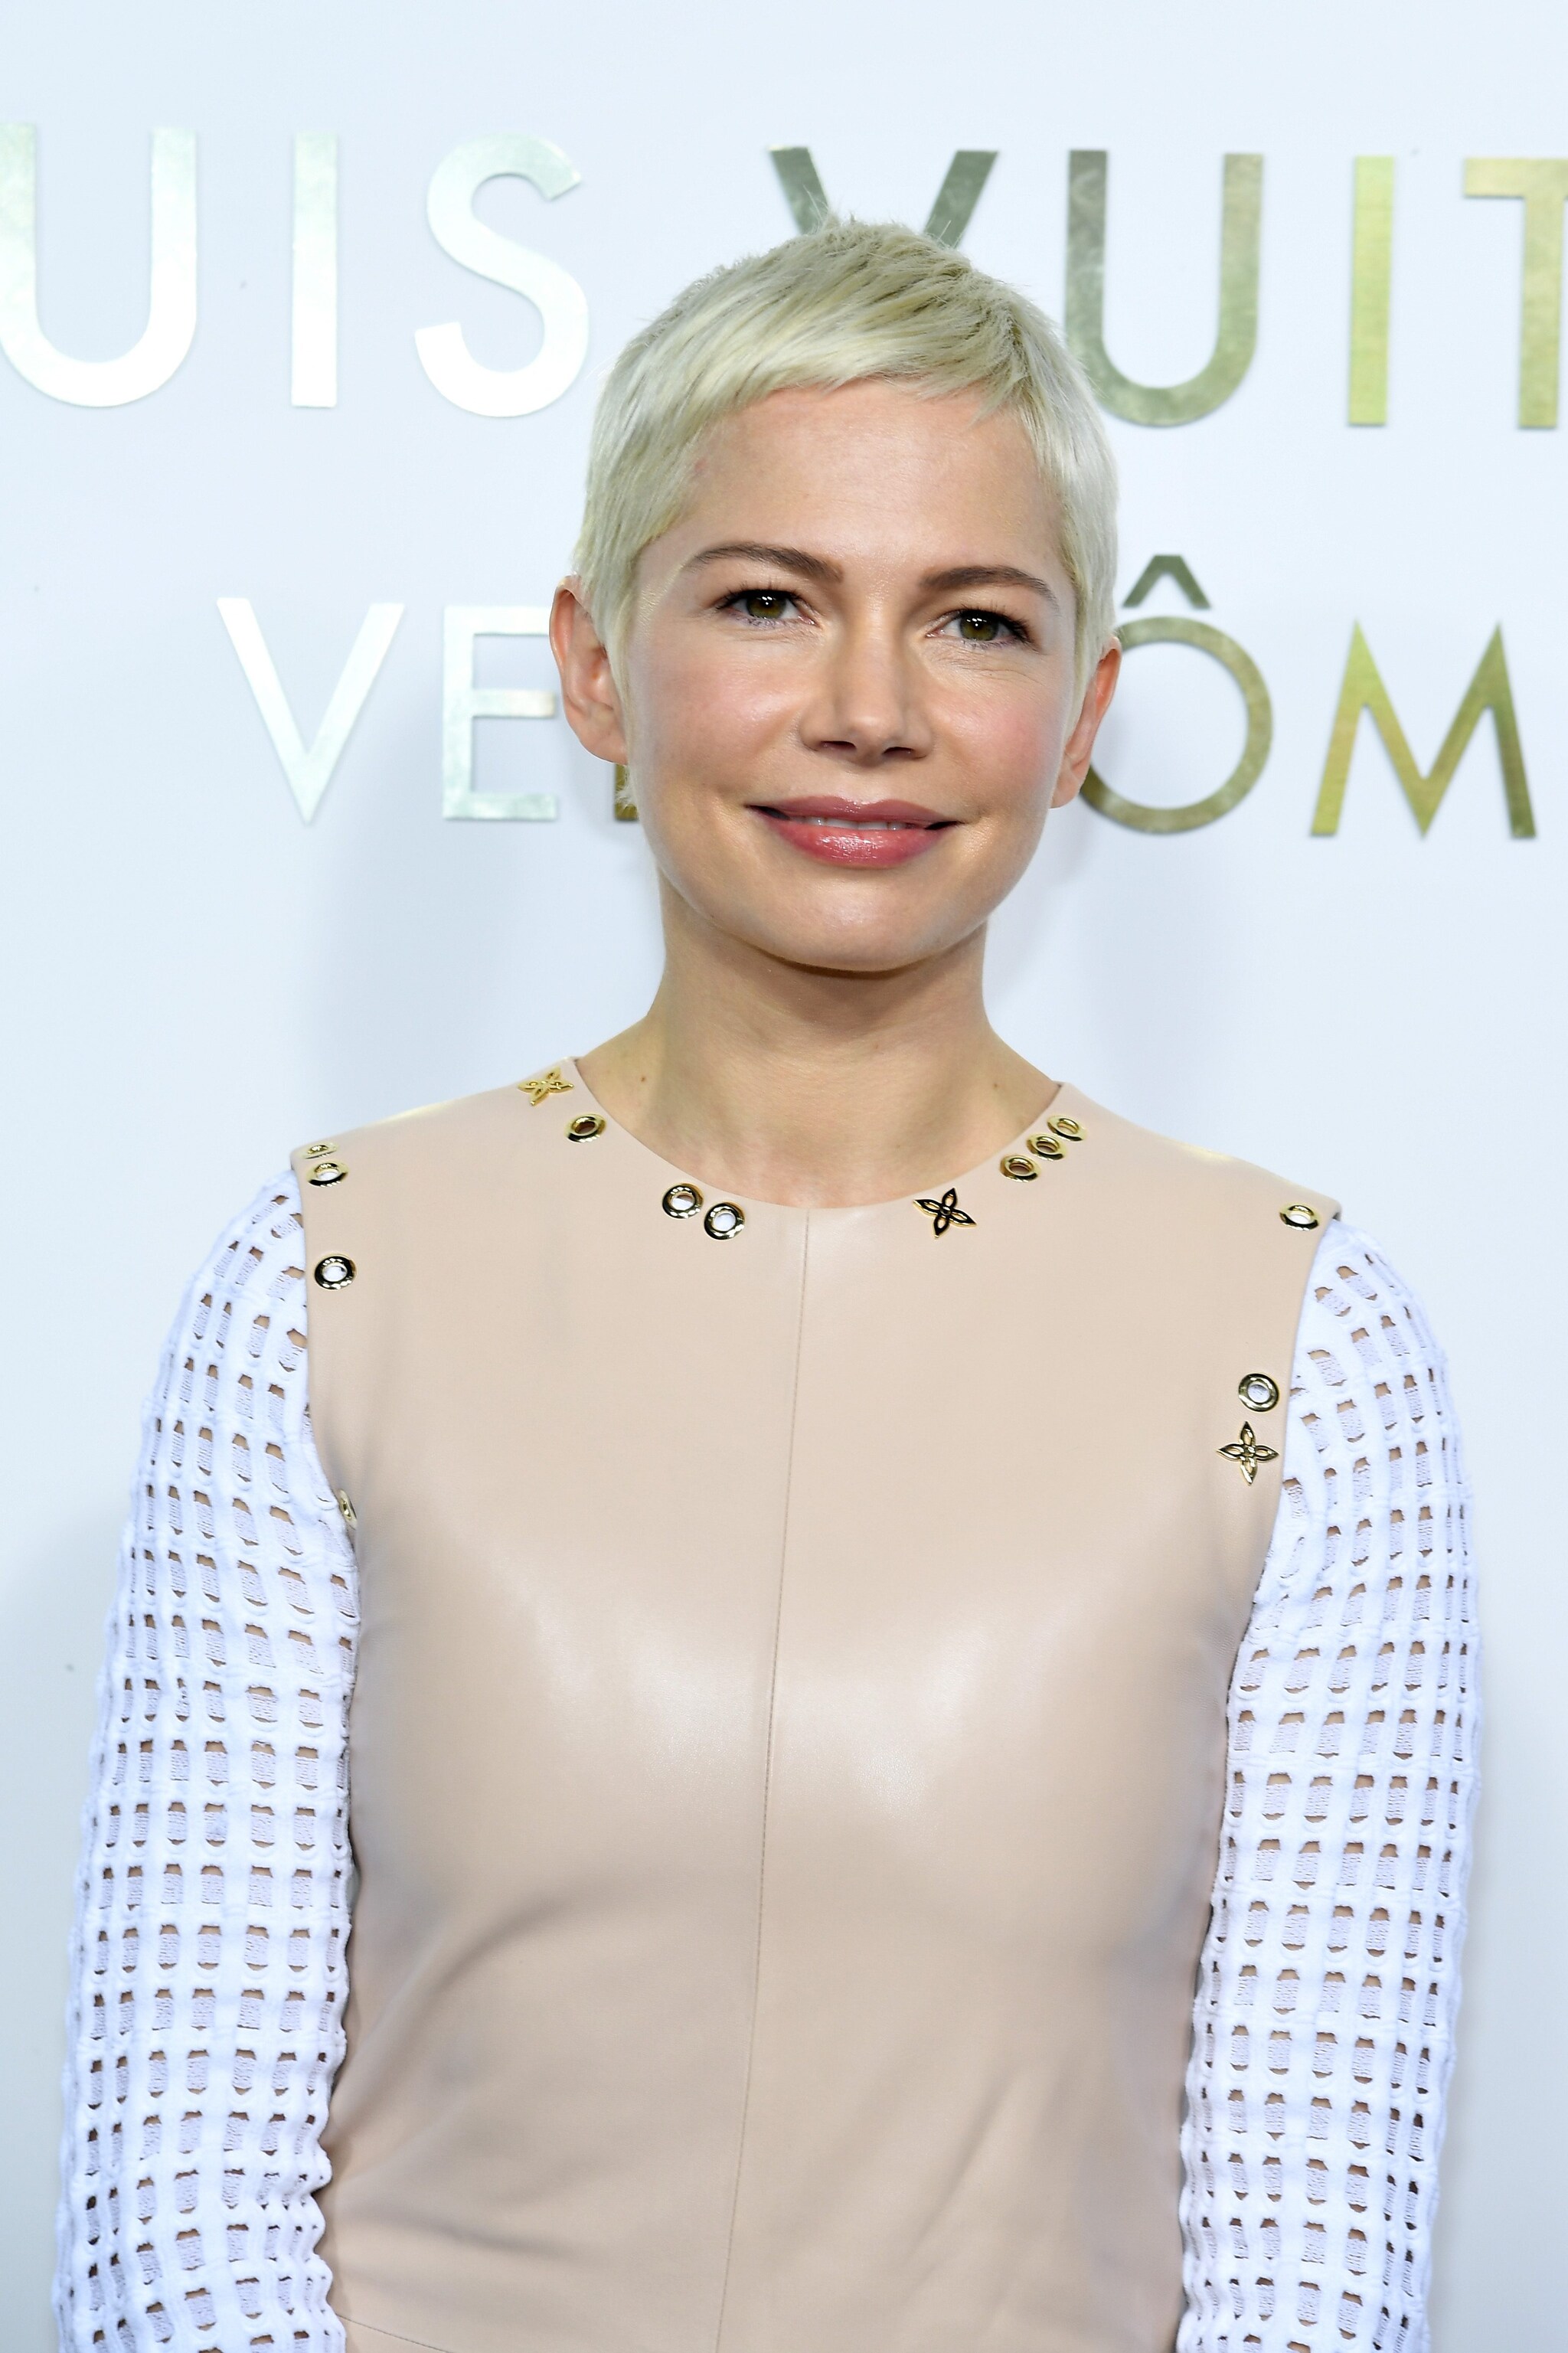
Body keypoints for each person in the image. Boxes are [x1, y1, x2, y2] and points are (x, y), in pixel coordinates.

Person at [54, 221, 1477, 2353]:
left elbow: (1311, 2252)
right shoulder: (319, 1284)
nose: (870, 712)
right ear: (594, 666)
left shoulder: (1306, 1340)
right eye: (765, 601)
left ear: (1082, 712)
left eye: (974, 620)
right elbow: (175, 2201)